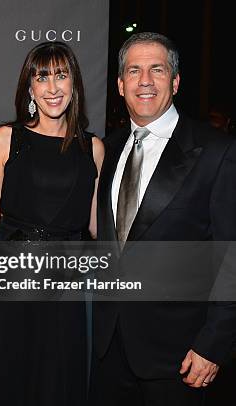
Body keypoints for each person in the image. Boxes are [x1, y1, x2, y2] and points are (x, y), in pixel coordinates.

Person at [90, 32, 236, 405]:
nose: (145, 81)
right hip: (108, 348)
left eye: (157, 69)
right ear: (120, 85)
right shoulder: (108, 148)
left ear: (175, 81)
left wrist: (213, 344)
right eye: (134, 71)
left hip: (182, 355)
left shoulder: (217, 152)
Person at [0, 41, 104, 405]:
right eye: (42, 78)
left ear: (74, 84)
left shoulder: (94, 149)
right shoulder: (6, 140)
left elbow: (96, 228)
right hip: (8, 280)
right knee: (3, 379)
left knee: (56, 383)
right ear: (30, 88)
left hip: (64, 286)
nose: (52, 88)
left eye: (61, 75)